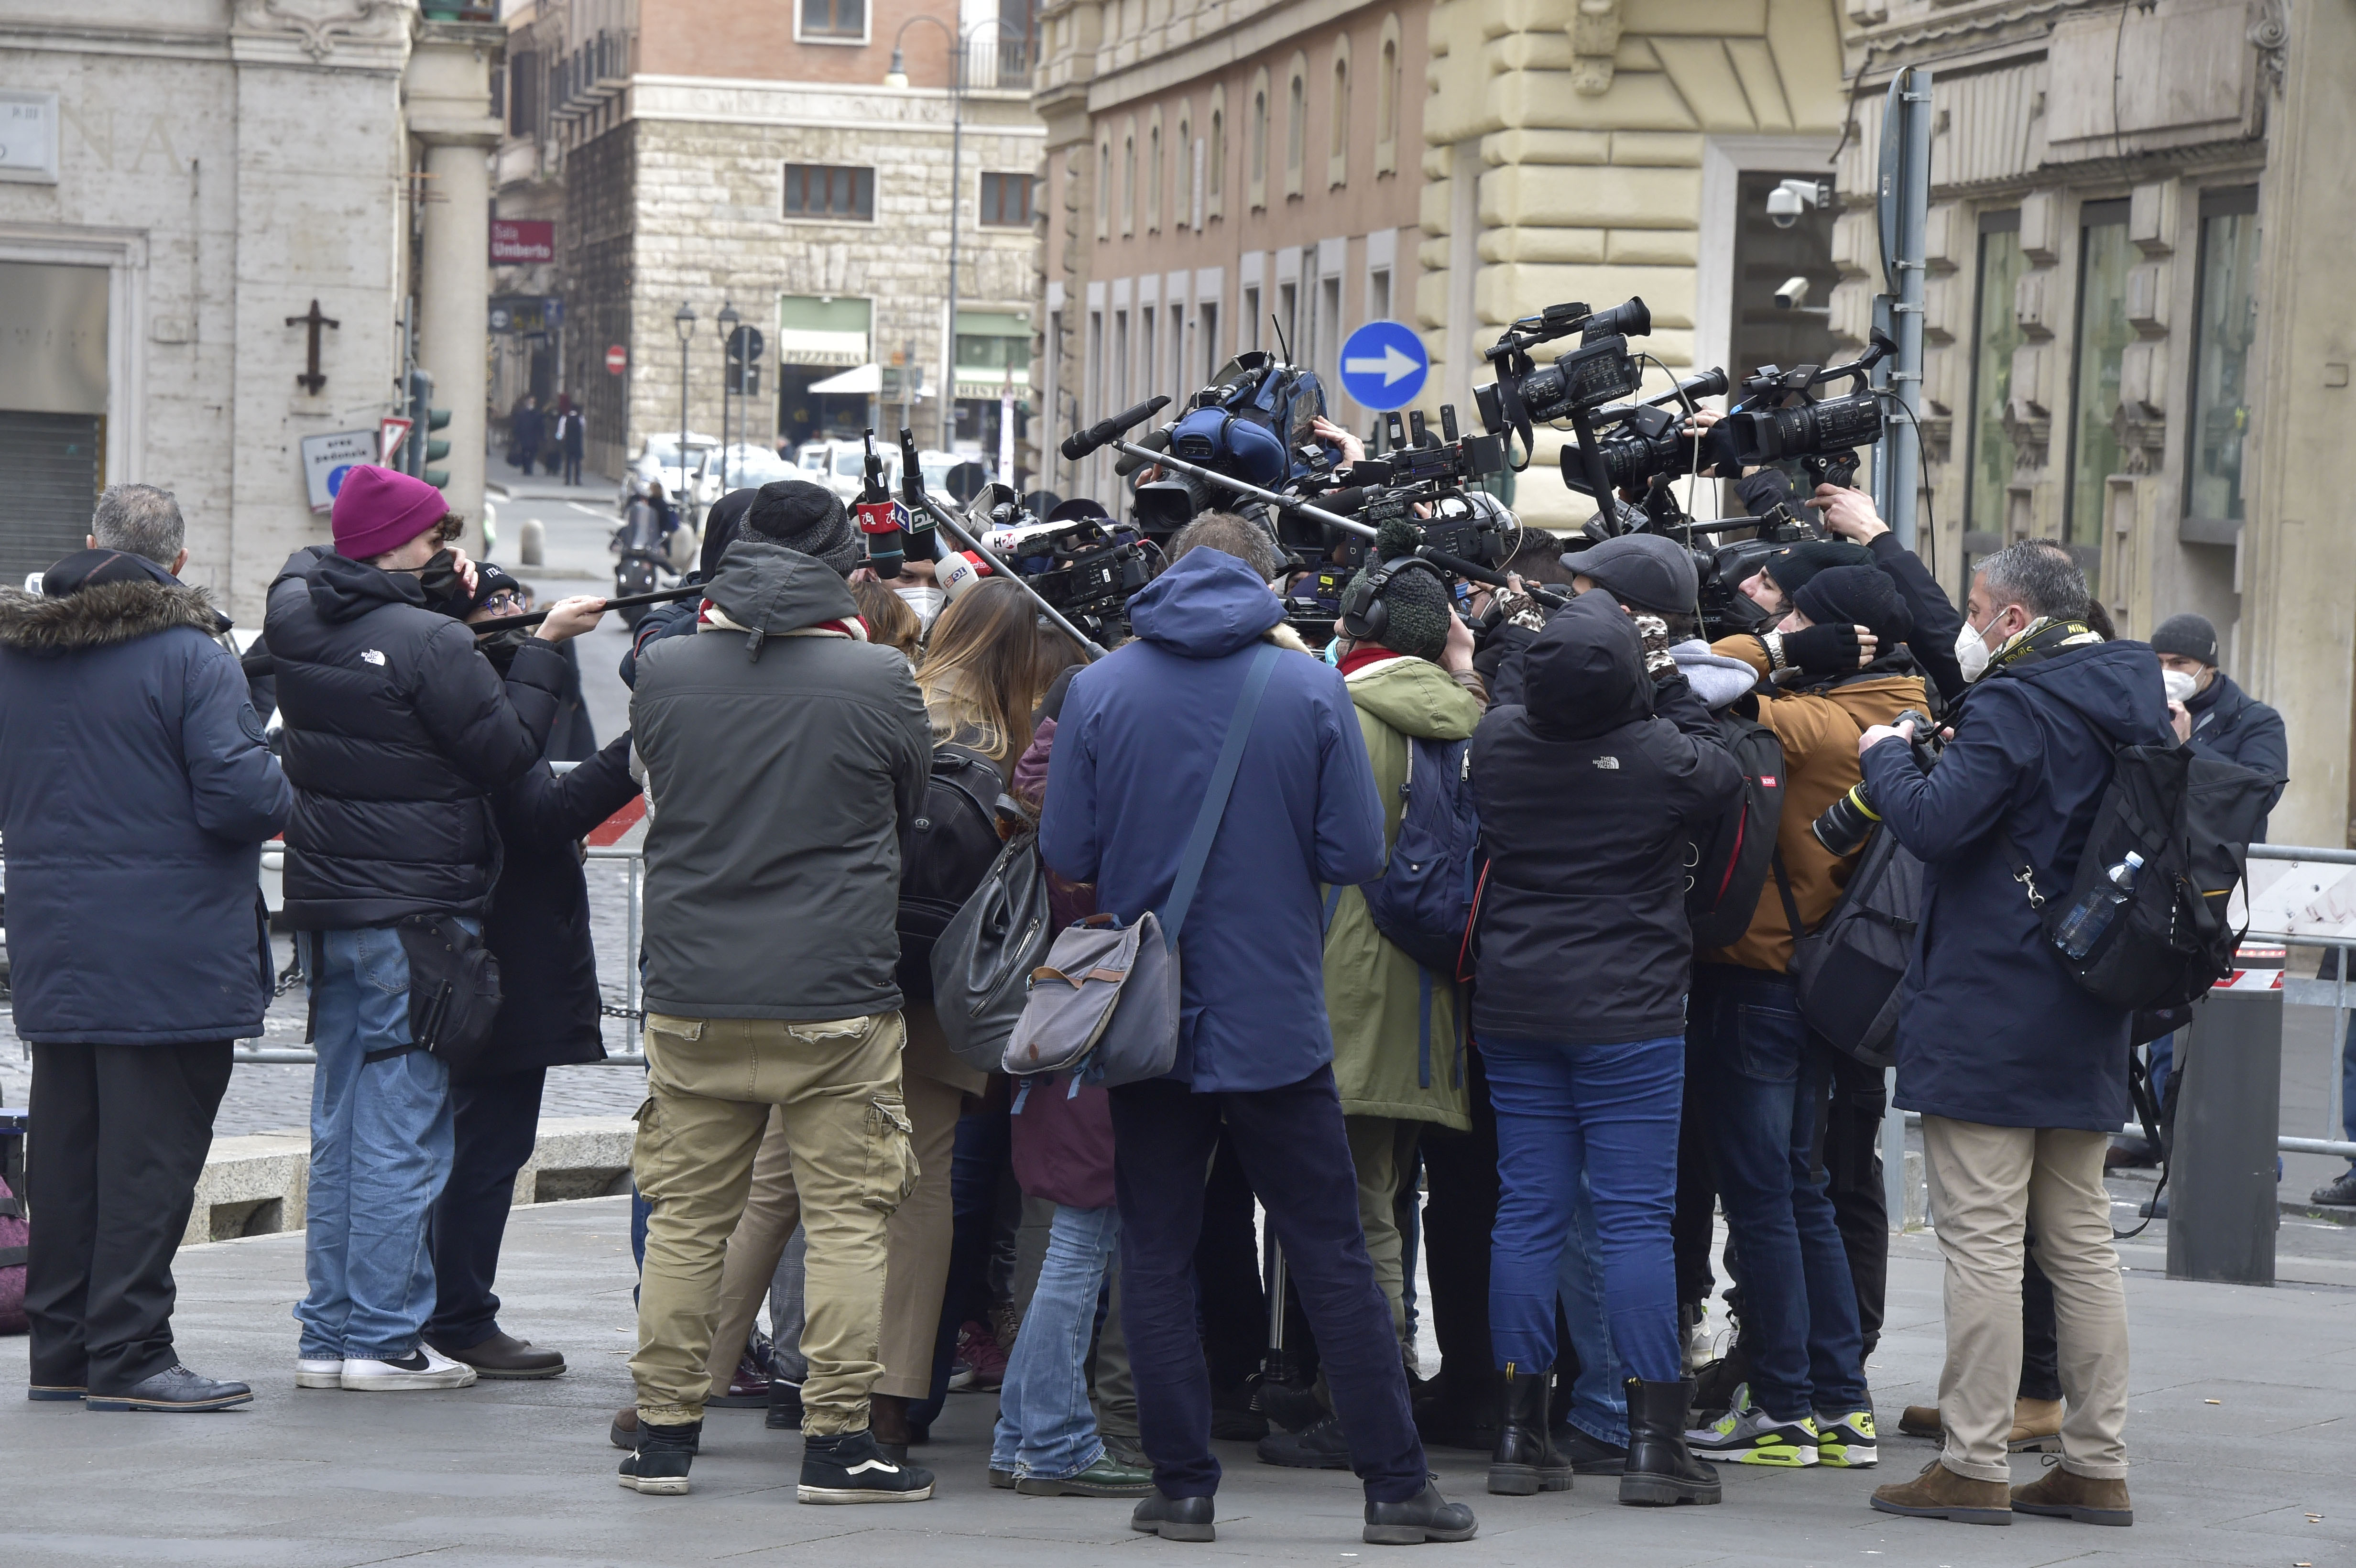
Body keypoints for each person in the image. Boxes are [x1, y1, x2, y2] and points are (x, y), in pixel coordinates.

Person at [1039, 512, 1479, 1546]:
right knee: (1331, 1252)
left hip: (1147, 1018)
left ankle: (1181, 1486)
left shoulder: (1100, 685)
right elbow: (1353, 853)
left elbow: (1068, 849)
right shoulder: (1308, 688)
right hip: (1276, 1013)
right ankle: (1394, 1487)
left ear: (1165, 569)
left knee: (1156, 1251)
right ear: (1270, 582)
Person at [619, 479, 936, 1502]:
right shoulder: (879, 676)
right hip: (834, 989)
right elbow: (912, 803)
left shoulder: (664, 668)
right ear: (847, 569)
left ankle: (663, 1436)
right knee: (847, 1221)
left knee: (686, 1220)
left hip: (693, 986)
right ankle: (837, 1442)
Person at [264, 465, 606, 1394]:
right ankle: (384, 1340)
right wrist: (543, 647)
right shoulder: (429, 641)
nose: (440, 552)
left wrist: (405, 576)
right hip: (414, 920)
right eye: (429, 538)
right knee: (402, 1133)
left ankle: (328, 1336)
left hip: (332, 911)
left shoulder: (297, 617)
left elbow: (308, 571)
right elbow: (509, 753)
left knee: (342, 1129)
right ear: (395, 546)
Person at [1857, 543, 2164, 1529]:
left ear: (2012, 617)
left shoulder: (2014, 703)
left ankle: (1972, 1460)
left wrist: (1886, 755)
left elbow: (1935, 824)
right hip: (2089, 1000)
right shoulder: (2129, 694)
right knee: (2079, 1242)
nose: (1968, 622)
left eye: (1976, 605)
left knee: (1984, 1241)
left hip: (1992, 1000)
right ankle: (2096, 1462)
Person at [0, 488, 292, 1413]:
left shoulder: (17, 651)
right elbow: (243, 799)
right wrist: (282, 766)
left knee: (68, 1157)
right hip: (171, 952)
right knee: (149, 1161)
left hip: (54, 943)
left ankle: (63, 1352)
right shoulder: (192, 654)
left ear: (90, 544)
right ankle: (131, 1354)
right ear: (179, 562)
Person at [1469, 586, 1741, 1509]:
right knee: (1631, 1221)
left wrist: (1521, 635)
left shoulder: (1496, 745)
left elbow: (1512, 692)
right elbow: (1720, 769)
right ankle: (1653, 1444)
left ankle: (1517, 1434)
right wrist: (1660, 670)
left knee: (1526, 1214)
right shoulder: (1658, 756)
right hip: (1628, 1013)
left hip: (1516, 1005)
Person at [1678, 564, 1923, 1473]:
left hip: (1758, 980)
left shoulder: (1816, 725)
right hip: (1814, 982)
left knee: (1762, 1200)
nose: (1781, 628)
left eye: (1798, 619)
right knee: (1802, 1189)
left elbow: (1681, 677)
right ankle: (1838, 1403)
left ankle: (1781, 1406)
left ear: (1838, 638)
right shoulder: (1901, 713)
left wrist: (1771, 650)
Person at [1258, 522, 1483, 1472]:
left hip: (1342, 984)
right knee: (1382, 1191)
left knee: (1355, 1213)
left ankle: (1362, 1402)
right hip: (1428, 997)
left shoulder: (1337, 712)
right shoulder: (1471, 719)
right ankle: (1356, 1390)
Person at [871, 576, 1084, 1458]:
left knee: (790, 1183)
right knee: (932, 1184)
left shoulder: (896, 707)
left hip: (857, 965)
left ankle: (686, 1391)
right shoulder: (1010, 743)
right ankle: (896, 1399)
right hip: (956, 983)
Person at [424, 566, 642, 1379]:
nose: (515, 616)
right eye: (498, 606)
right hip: (495, 959)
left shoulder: (452, 683)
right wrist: (638, 745)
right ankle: (457, 1315)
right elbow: (539, 812)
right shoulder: (478, 698)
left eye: (520, 602)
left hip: (473, 950)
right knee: (484, 1147)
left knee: (463, 1142)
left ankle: (432, 1309)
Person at [558, 401, 587, 487]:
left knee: (568, 462)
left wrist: (559, 439)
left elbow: (561, 432)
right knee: (577, 463)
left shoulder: (564, 418)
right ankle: (577, 480)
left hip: (568, 443)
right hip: (577, 443)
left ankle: (567, 480)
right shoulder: (581, 419)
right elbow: (584, 430)